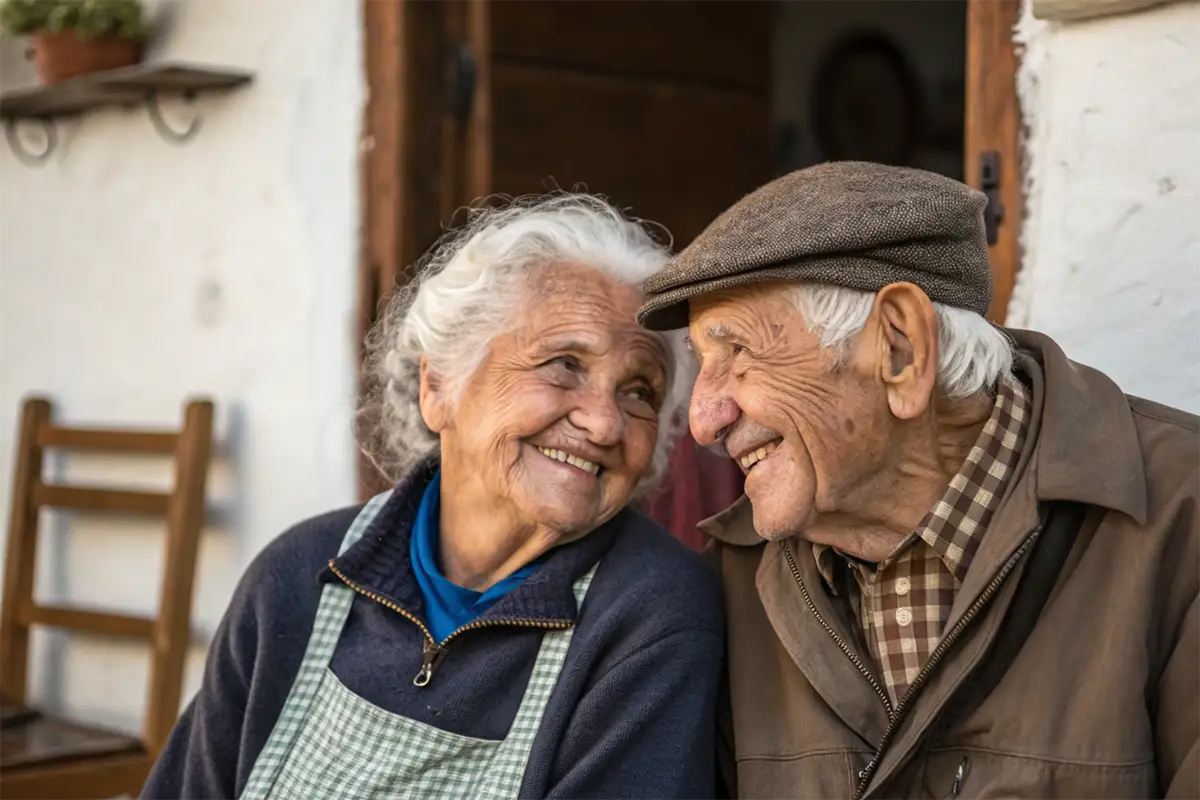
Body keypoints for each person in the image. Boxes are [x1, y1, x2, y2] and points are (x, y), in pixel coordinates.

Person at [636, 162, 1200, 799]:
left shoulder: (1183, 520)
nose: (706, 421)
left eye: (736, 353)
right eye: (701, 366)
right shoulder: (730, 581)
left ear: (901, 350)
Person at [142, 194, 724, 799]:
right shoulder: (299, 576)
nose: (604, 423)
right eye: (564, 364)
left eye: (639, 392)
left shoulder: (652, 616)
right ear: (438, 386)